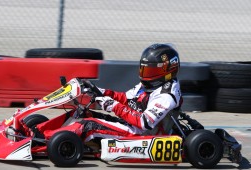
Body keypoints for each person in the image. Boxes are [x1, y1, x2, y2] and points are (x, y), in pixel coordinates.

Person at [41, 43, 182, 142]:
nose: (145, 74)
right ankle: (39, 131)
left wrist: (111, 105)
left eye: (150, 70)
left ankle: (45, 140)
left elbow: (144, 122)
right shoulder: (149, 85)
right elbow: (125, 98)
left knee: (87, 125)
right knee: (80, 113)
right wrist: (100, 92)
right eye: (144, 69)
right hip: (129, 126)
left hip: (141, 135)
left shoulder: (166, 95)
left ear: (166, 70)